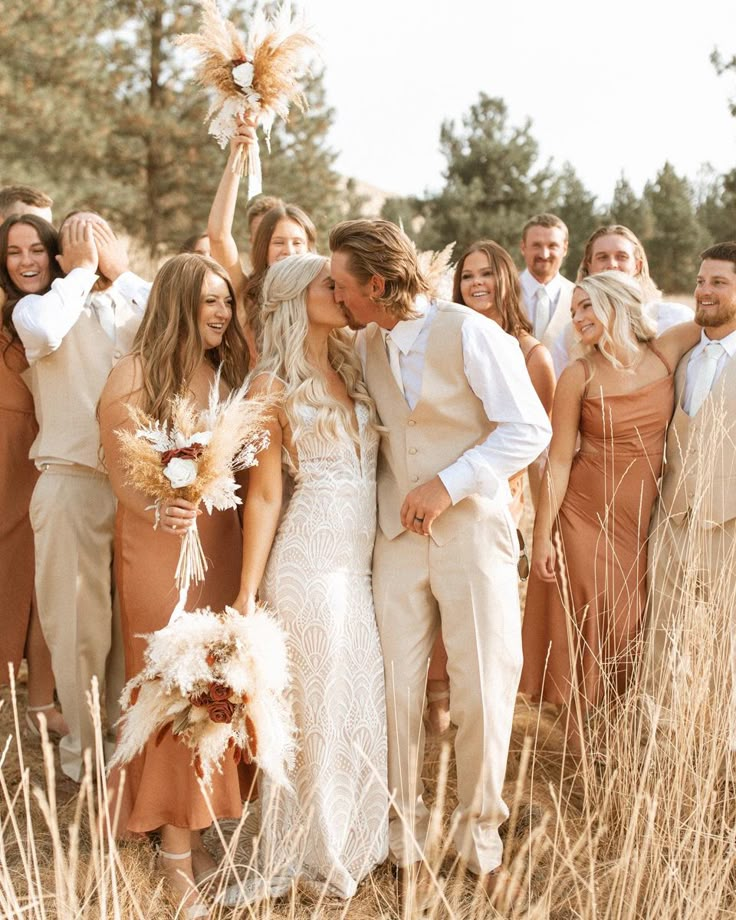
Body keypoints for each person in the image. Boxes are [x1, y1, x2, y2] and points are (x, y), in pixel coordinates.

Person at [329, 219, 551, 909]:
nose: (334, 296)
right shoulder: (361, 343)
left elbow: (529, 428)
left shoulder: (471, 332)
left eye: (341, 285)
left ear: (377, 283)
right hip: (396, 541)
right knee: (392, 688)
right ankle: (402, 839)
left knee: (483, 686)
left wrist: (448, 483)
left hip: (473, 534)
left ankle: (479, 841)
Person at [230, 253, 388, 902]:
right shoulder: (272, 383)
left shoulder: (355, 365)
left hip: (360, 563)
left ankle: (356, 841)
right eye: (330, 284)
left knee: (356, 704)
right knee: (316, 711)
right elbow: (264, 495)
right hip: (309, 562)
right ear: (298, 297)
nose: (341, 291)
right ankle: (311, 856)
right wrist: (246, 592)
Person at [101, 253, 250, 919]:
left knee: (215, 688)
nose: (222, 313)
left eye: (227, 301)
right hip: (158, 550)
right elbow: (119, 474)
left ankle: (198, 825)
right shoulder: (131, 375)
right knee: (172, 690)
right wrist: (155, 504)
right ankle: (174, 863)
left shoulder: (223, 374)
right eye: (210, 302)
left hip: (218, 546)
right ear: (178, 303)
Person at [520, 271, 700, 754]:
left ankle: (620, 734)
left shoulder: (665, 352)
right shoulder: (578, 375)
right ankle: (581, 745)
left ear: (617, 305)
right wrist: (542, 536)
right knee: (587, 620)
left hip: (642, 518)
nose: (577, 319)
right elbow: (557, 460)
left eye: (586, 308)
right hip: (582, 513)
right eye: (574, 309)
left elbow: (715, 314)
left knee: (631, 622)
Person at [13, 210, 151, 783]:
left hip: (134, 487)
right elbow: (45, 332)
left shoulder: (125, 305)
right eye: (75, 240)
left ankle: (124, 757)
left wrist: (117, 275)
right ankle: (85, 762)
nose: (28, 261)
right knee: (77, 630)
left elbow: (171, 319)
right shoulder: (37, 309)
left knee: (126, 624)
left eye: (99, 238)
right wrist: (79, 274)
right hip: (70, 483)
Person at [422, 239, 556, 737]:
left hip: (498, 495)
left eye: (486, 274)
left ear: (506, 279)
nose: (476, 283)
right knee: (434, 601)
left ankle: (474, 713)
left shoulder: (531, 354)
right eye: (467, 276)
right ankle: (436, 705)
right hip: (444, 483)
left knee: (482, 613)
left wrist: (540, 521)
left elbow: (535, 448)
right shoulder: (453, 337)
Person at [646, 242, 736, 725]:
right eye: (702, 281)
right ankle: (657, 740)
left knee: (729, 650)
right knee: (661, 638)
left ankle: (726, 753)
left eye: (718, 282)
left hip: (730, 524)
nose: (704, 291)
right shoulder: (679, 357)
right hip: (673, 520)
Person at [0, 215, 67, 739]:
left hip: (52, 459)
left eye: (35, 250)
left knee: (48, 582)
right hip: (6, 455)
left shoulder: (70, 309)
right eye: (13, 252)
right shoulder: (6, 318)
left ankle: (42, 702)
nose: (26, 261)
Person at [207, 120, 314, 354]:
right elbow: (218, 236)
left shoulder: (322, 294)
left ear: (310, 248)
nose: (289, 250)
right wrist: (237, 157)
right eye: (278, 242)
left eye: (297, 243)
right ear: (261, 246)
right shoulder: (248, 295)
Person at [548, 224, 695, 373]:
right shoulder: (568, 338)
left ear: (637, 266)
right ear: (589, 267)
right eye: (602, 257)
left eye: (622, 257)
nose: (612, 264)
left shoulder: (675, 318)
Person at [519, 213, 575, 374]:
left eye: (552, 246)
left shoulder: (581, 297)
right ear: (523, 247)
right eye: (536, 245)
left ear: (564, 248)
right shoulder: (502, 292)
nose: (544, 254)